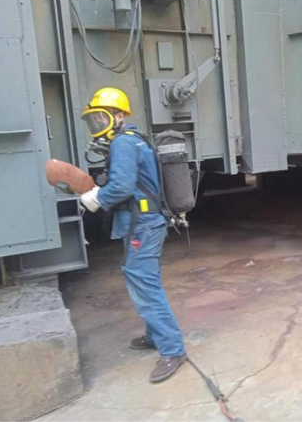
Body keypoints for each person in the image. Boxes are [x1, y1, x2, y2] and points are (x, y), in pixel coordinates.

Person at [79, 87, 187, 382]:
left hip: (143, 224)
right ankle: (155, 335)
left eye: (101, 118)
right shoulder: (134, 139)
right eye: (93, 120)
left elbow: (122, 187)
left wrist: (96, 198)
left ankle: (172, 349)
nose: (97, 125)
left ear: (118, 116)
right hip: (143, 222)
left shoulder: (124, 144)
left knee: (143, 283)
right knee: (145, 279)